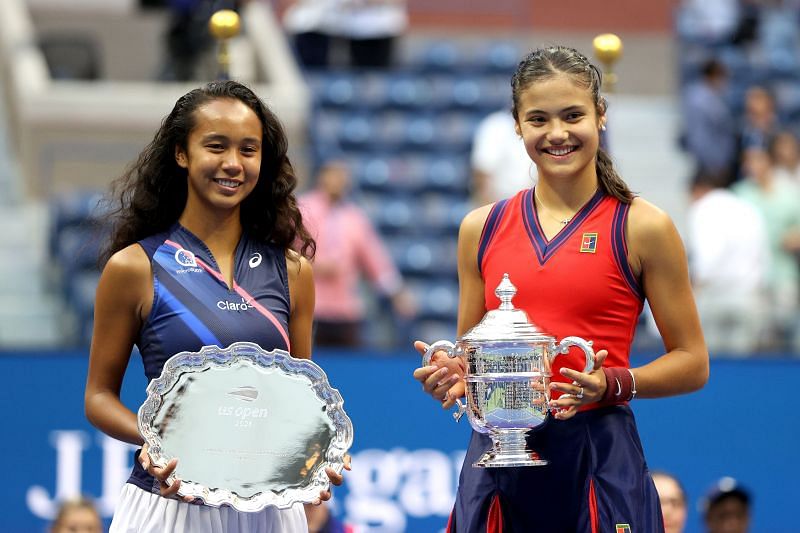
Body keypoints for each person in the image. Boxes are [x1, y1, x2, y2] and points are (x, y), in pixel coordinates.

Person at [412, 45, 709, 532]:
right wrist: (455, 376)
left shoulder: (644, 226)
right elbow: (473, 355)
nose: (557, 134)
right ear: (517, 125)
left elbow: (693, 362)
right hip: (497, 464)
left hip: (598, 459)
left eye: (573, 116)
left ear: (600, 115)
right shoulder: (479, 228)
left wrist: (611, 384)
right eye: (538, 119)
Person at [84, 80, 346, 532]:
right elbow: (98, 397)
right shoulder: (134, 267)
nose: (232, 164)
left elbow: (300, 399)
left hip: (271, 510)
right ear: (181, 154)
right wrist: (156, 438)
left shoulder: (294, 272)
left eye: (249, 150)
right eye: (215, 146)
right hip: (167, 504)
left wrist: (315, 455)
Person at [298, 159, 415, 347]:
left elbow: (375, 259)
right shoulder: (302, 209)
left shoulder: (354, 217)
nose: (338, 181)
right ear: (322, 177)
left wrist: (396, 292)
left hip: (346, 309)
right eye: (333, 175)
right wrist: (311, 264)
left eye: (342, 176)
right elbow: (284, 250)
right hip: (310, 307)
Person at [687, 169, 770, 355]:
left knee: (710, 365)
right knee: (741, 367)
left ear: (697, 190)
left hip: (713, 295)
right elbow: (764, 254)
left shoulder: (702, 208)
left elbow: (706, 257)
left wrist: (695, 288)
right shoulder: (748, 208)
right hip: (748, 295)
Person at [470, 109, 537, 207]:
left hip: (531, 206)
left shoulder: (546, 129)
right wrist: (492, 215)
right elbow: (482, 175)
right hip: (497, 205)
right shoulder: (496, 125)